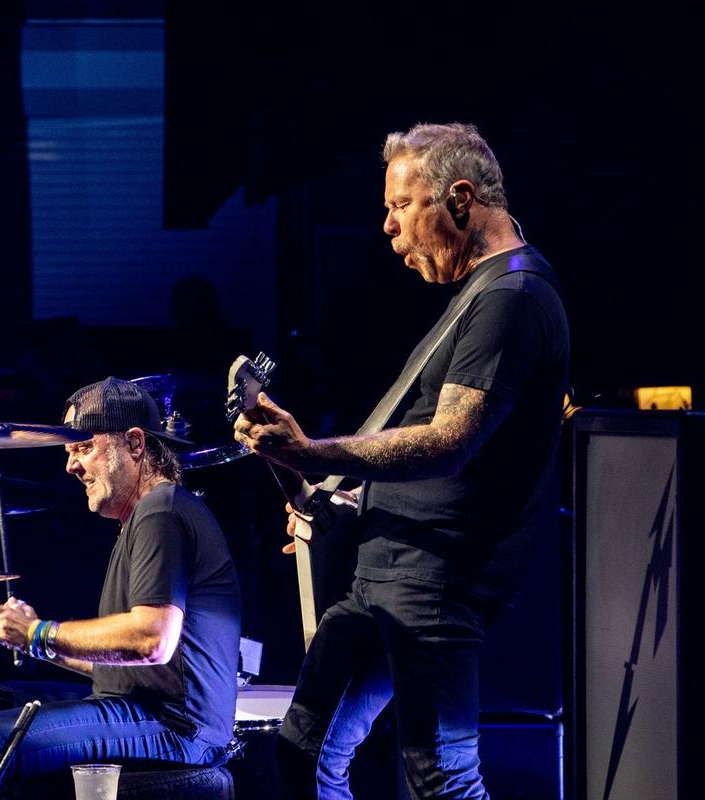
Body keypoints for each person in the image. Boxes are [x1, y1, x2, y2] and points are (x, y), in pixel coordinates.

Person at [233, 123, 569, 799]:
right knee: (304, 751)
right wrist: (340, 493)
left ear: (460, 199)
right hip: (387, 573)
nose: (388, 227)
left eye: (400, 205)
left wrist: (310, 450)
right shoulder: (481, 295)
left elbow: (449, 443)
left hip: (434, 584)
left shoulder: (512, 299)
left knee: (440, 779)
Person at [0, 377, 241, 792]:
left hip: (174, 727)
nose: (70, 466)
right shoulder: (148, 514)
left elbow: (151, 640)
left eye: (83, 448)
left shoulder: (160, 510)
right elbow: (127, 668)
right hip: (149, 712)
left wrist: (37, 631)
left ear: (134, 443)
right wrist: (29, 640)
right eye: (69, 453)